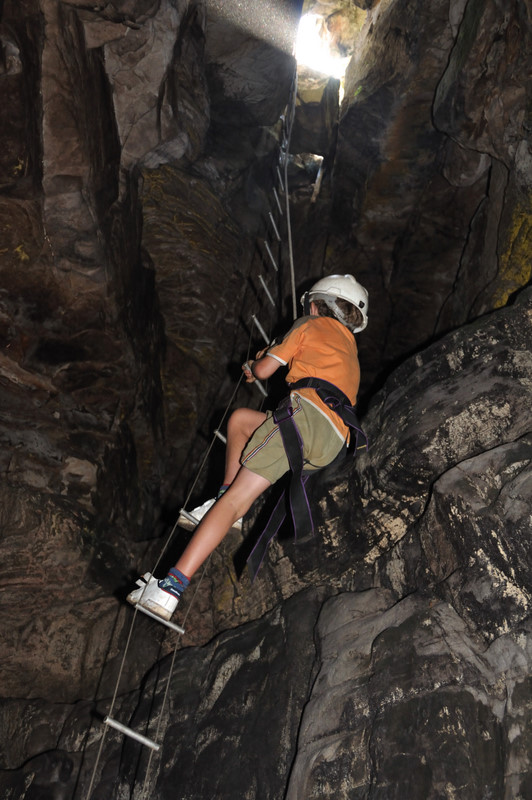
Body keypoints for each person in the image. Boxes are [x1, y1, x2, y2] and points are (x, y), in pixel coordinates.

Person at [127, 274, 368, 621]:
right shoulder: (351, 350)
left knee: (236, 500)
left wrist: (257, 366)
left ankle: (169, 589)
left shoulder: (310, 323)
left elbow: (267, 368)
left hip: (302, 420)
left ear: (316, 306)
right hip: (333, 441)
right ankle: (226, 505)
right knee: (241, 420)